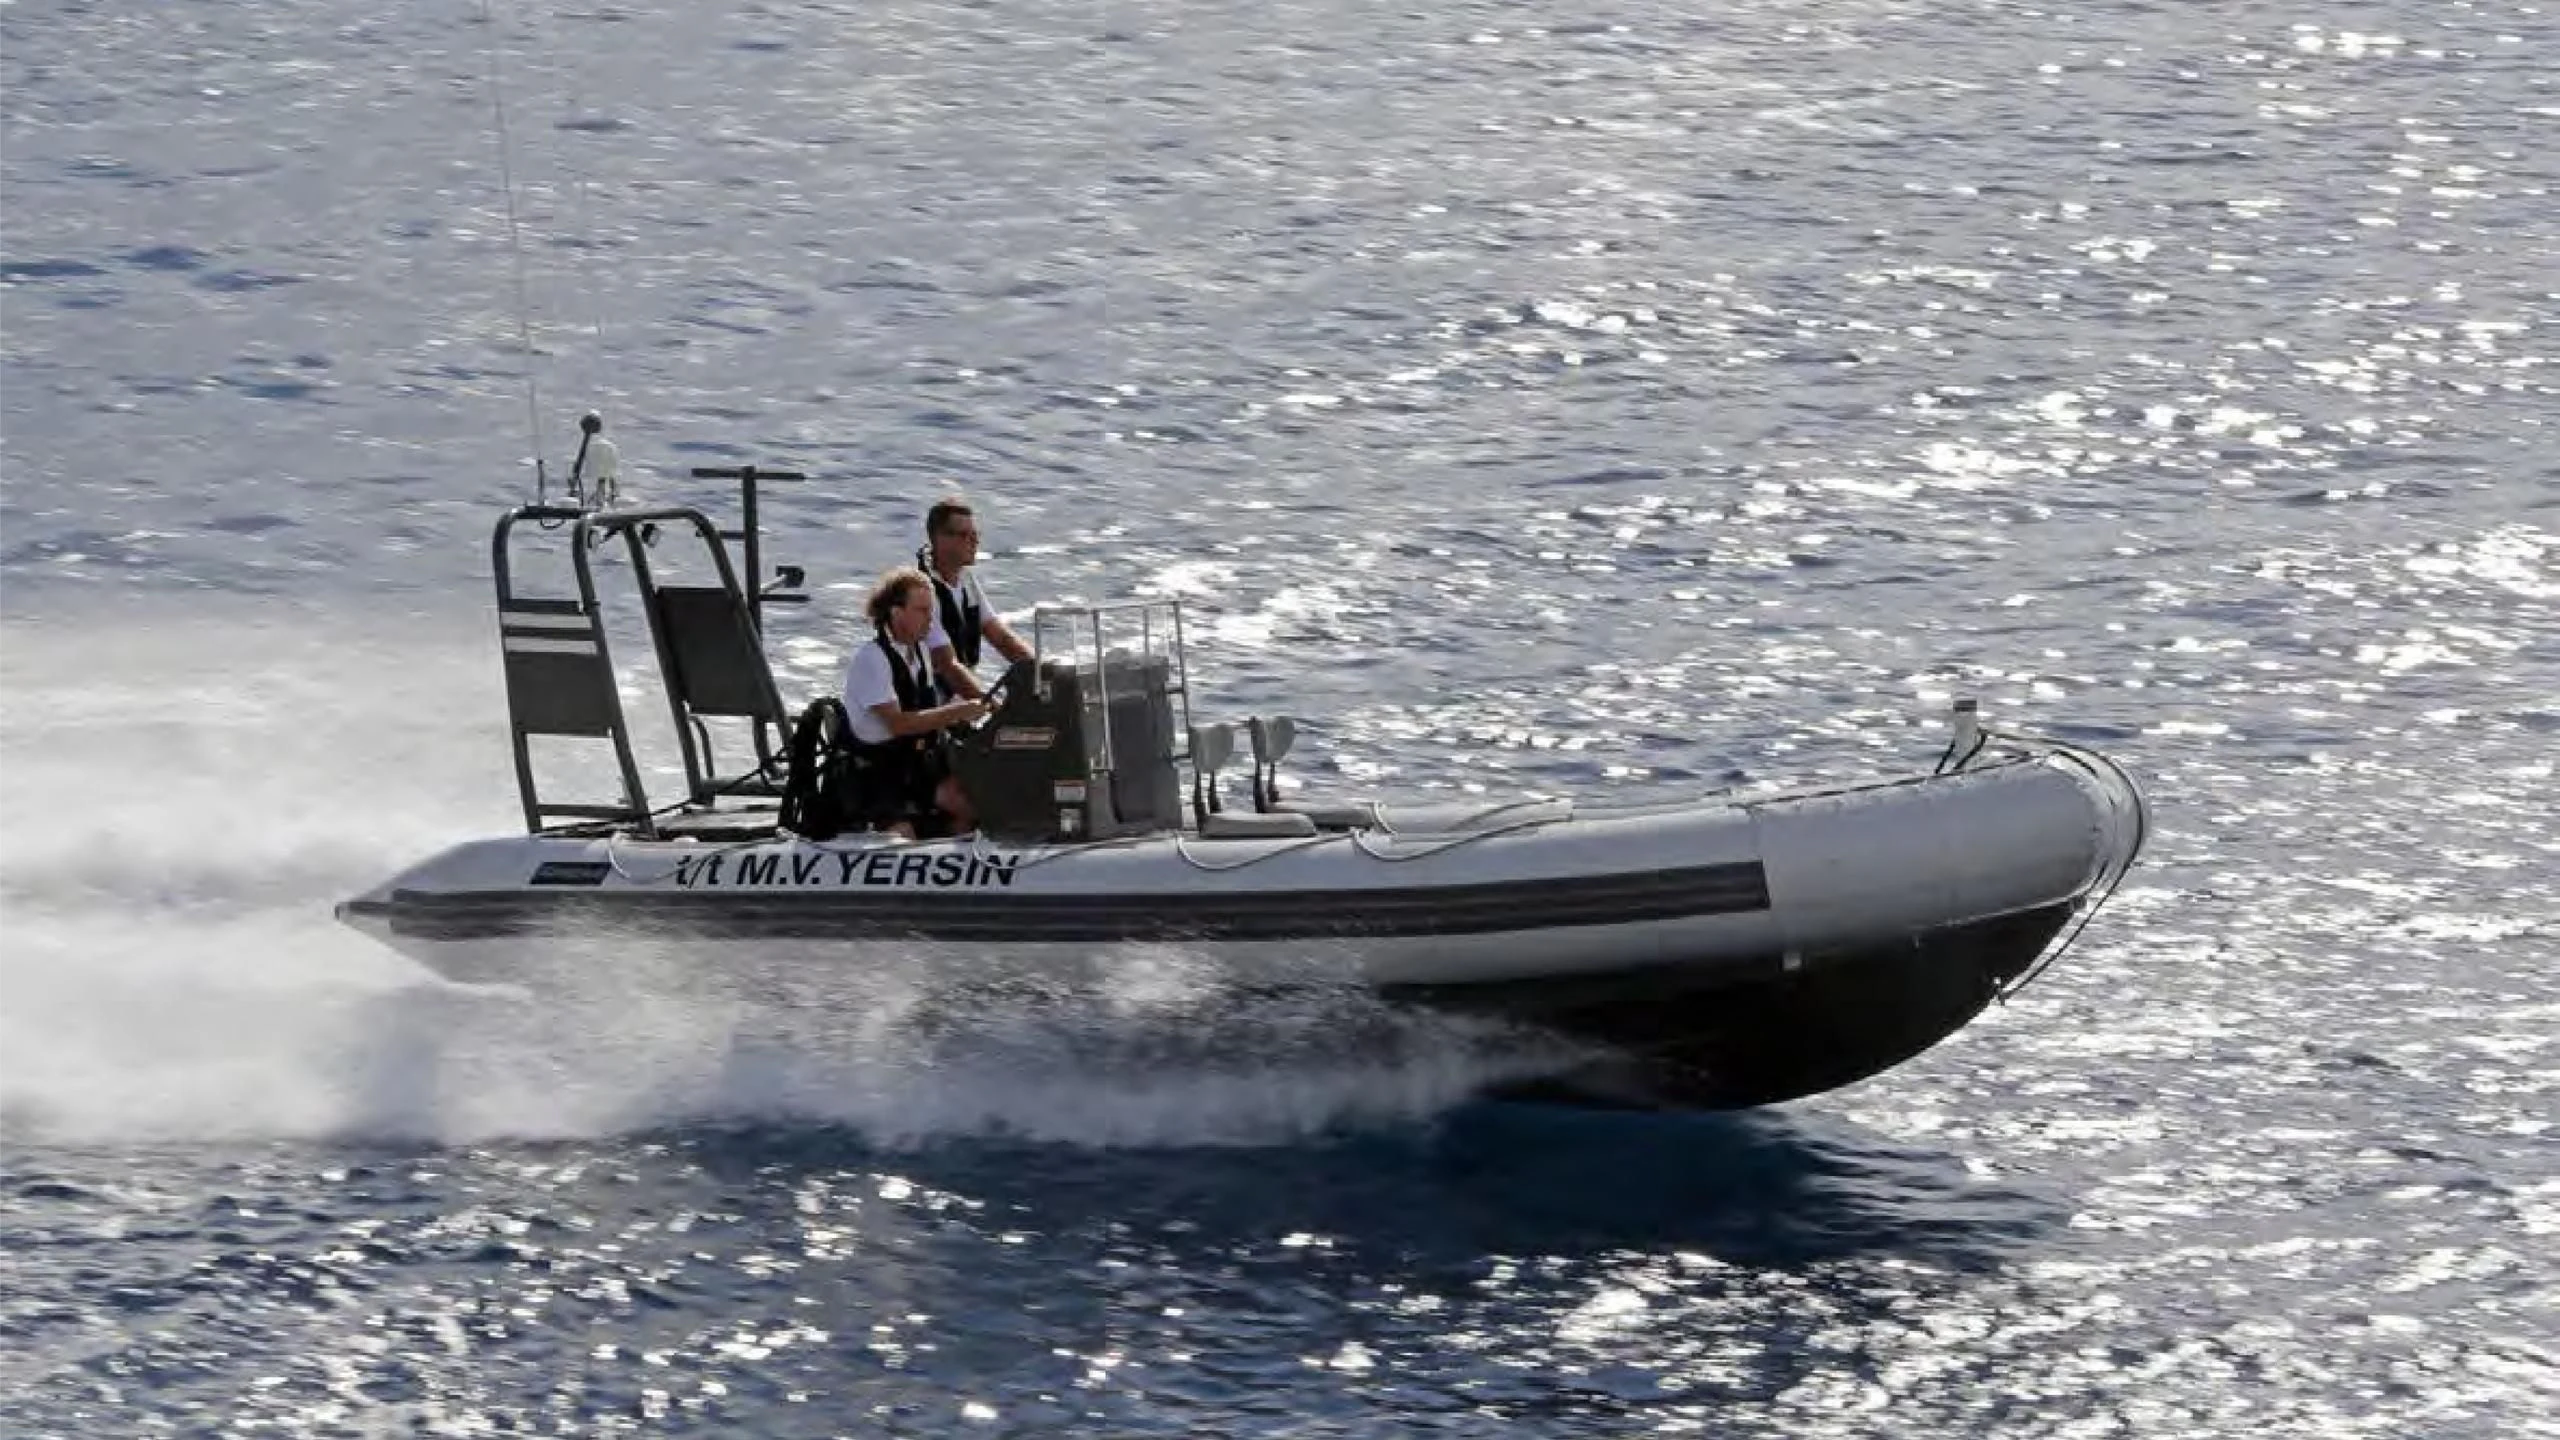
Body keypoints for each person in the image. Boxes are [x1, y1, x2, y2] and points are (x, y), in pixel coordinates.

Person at [841, 566, 991, 838]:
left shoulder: (920, 651)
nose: (930, 620)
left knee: (970, 804)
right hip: (879, 775)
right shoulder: (872, 659)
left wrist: (969, 712)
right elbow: (898, 724)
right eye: (922, 611)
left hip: (915, 766)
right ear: (896, 612)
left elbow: (926, 708)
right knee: (903, 831)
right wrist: (954, 712)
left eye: (931, 611)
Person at [916, 497, 1034, 703]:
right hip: (934, 704)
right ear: (939, 539)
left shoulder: (966, 580)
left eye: (975, 534)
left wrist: (1042, 670)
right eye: (965, 535)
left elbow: (1002, 638)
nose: (975, 541)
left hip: (965, 703)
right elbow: (947, 664)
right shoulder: (921, 591)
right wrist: (990, 705)